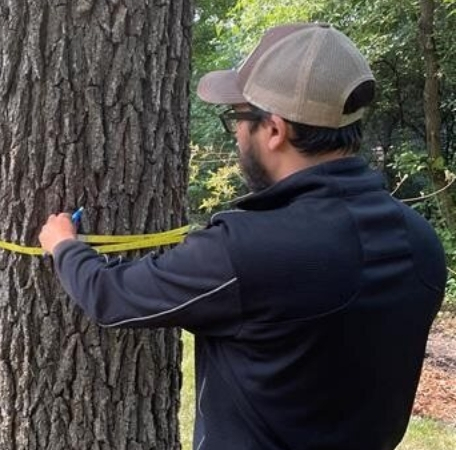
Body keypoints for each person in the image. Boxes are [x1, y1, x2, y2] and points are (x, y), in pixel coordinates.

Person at [38, 23, 446, 450]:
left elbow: (112, 295)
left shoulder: (247, 250)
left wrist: (64, 245)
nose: (235, 133)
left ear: (274, 129)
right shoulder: (419, 243)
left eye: (238, 117)